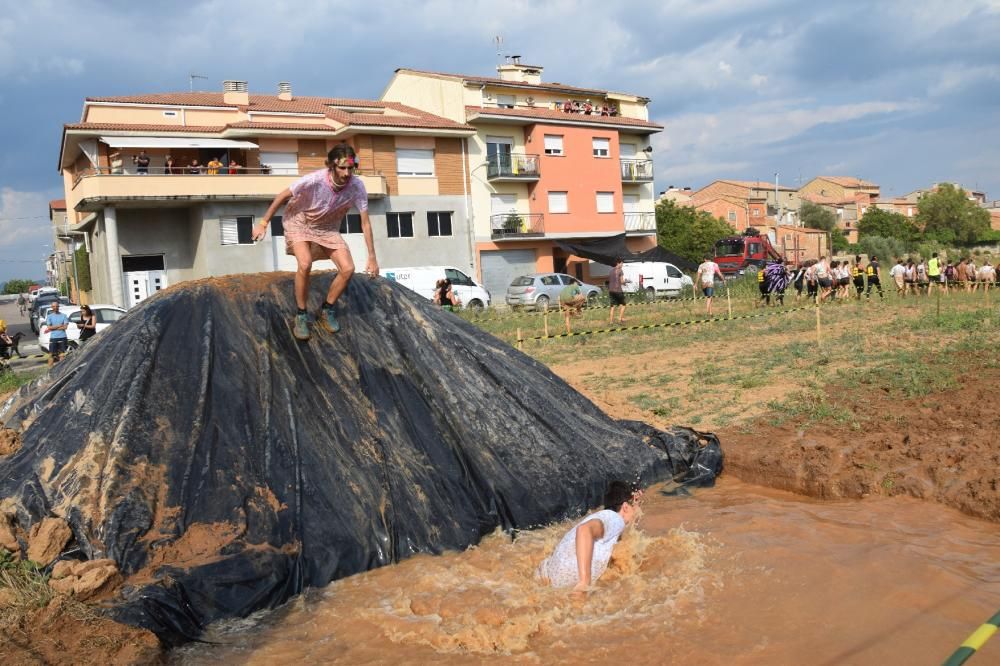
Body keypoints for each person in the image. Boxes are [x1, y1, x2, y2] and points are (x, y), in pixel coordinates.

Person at [253, 144, 378, 340]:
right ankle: (301, 315)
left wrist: (372, 257)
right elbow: (283, 195)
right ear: (332, 166)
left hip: (327, 228)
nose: (347, 173)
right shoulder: (315, 179)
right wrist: (263, 222)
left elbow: (365, 222)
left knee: (348, 268)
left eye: (350, 168)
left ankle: (326, 310)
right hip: (301, 221)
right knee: (305, 263)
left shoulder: (357, 186)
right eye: (342, 168)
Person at [537, 481, 641, 591]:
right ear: (625, 507)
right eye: (636, 505)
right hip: (568, 583)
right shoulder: (615, 519)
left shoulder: (605, 519)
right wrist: (584, 581)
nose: (638, 511)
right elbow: (584, 530)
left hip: (545, 575)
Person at [43, 301, 70, 367]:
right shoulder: (49, 316)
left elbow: (65, 327)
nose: (55, 307)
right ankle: (50, 369)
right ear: (52, 307)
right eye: (54, 306)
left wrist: (53, 327)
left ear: (58, 307)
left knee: (62, 354)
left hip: (62, 337)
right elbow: (49, 327)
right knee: (51, 355)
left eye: (57, 306)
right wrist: (59, 325)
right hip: (53, 338)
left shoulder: (64, 315)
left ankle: (62, 369)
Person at [608, 257, 628, 324]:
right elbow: (622, 281)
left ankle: (611, 321)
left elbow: (611, 281)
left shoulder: (611, 271)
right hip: (618, 290)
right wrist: (625, 283)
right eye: (621, 263)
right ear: (618, 263)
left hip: (611, 290)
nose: (622, 265)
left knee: (612, 306)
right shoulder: (620, 270)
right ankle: (620, 319)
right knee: (623, 304)